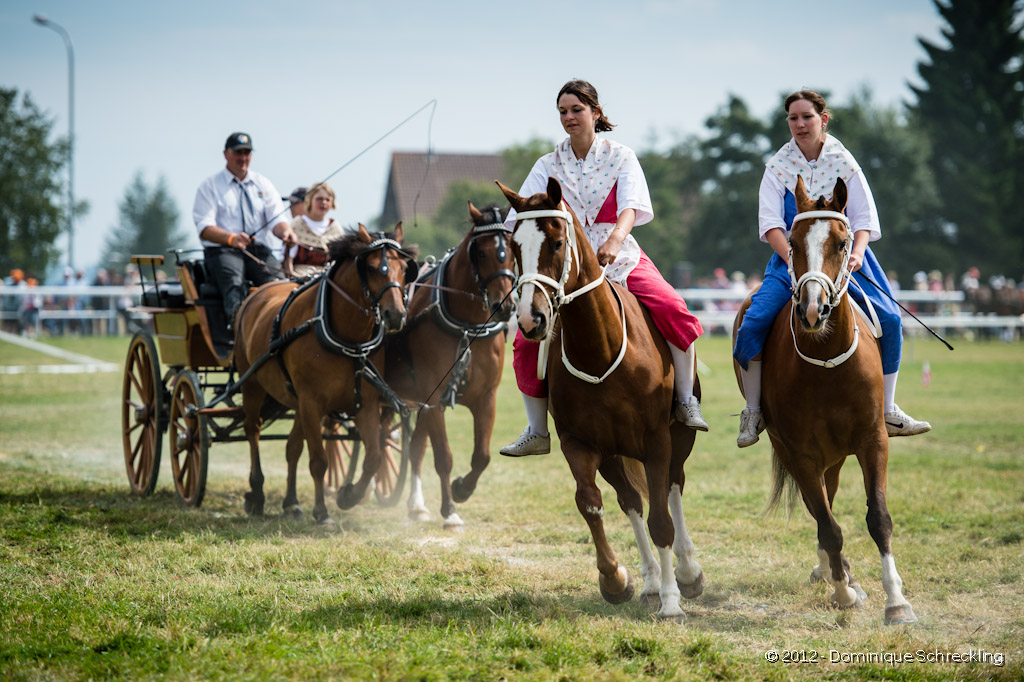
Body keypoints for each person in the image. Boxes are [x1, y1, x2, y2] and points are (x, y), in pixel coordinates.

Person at [500, 79, 707, 457]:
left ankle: (685, 401)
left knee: (674, 307)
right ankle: (537, 429)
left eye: (576, 110)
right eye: (562, 112)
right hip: (566, 270)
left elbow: (630, 207)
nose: (569, 118)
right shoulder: (547, 164)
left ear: (596, 112)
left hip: (620, 256)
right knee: (524, 337)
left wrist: (614, 239)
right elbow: (521, 213)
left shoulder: (621, 156)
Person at [733, 89, 930, 448]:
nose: (799, 124)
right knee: (754, 321)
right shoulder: (777, 167)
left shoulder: (844, 161)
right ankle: (752, 411)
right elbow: (770, 224)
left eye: (806, 117)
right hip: (793, 258)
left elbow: (864, 218)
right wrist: (794, 260)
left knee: (889, 319)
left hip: (845, 256)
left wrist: (856, 254)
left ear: (823, 119)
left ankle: (888, 409)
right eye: (793, 118)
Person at [192, 132, 297, 329]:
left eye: (247, 153)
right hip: (224, 250)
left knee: (280, 285)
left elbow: (277, 218)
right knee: (234, 282)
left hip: (258, 250)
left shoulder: (263, 184)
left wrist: (286, 233)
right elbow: (205, 228)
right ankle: (237, 331)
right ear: (226, 154)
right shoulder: (210, 186)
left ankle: (280, 330)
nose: (243, 158)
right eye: (238, 153)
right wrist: (231, 238)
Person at [282, 182, 349, 278]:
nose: (324, 203)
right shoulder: (297, 224)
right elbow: (288, 260)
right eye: (319, 199)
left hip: (327, 278)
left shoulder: (335, 228)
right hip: (300, 277)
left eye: (327, 200)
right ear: (309, 201)